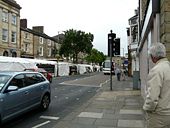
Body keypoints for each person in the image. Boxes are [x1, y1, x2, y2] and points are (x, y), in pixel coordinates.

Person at [143, 42, 170, 128]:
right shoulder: (168, 66)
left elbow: (152, 97)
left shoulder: (156, 70)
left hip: (159, 116)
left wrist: (147, 109)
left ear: (153, 57)